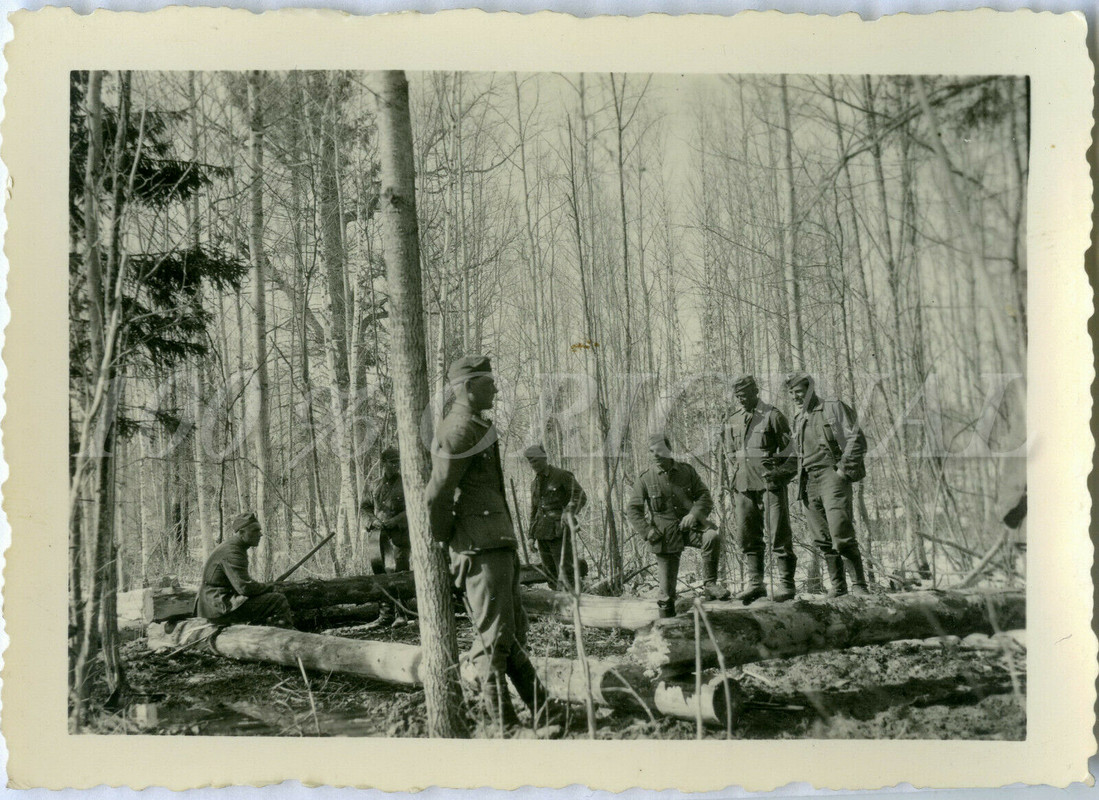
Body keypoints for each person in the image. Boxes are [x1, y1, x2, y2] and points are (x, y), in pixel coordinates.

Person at [425, 355, 564, 733]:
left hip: (495, 542)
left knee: (511, 631)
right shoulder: (457, 430)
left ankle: (542, 709)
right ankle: (504, 726)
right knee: (492, 639)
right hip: (479, 547)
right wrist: (446, 538)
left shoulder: (475, 426)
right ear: (468, 388)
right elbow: (437, 494)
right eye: (489, 383)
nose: (497, 389)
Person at [626, 432, 731, 618]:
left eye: (659, 451)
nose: (655, 455)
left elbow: (705, 497)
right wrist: (648, 531)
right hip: (664, 536)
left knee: (711, 536)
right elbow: (633, 510)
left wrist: (693, 514)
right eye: (651, 452)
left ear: (669, 450)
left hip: (689, 529)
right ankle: (667, 630)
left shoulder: (686, 472)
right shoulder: (646, 479)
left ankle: (710, 584)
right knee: (666, 595)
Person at [786, 372, 870, 597]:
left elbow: (856, 439)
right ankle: (838, 587)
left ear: (811, 389)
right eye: (792, 393)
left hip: (832, 476)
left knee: (840, 531)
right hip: (808, 481)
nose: (795, 397)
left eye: (799, 392)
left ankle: (859, 585)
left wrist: (843, 470)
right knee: (822, 538)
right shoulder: (798, 418)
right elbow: (796, 455)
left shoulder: (832, 407)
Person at [720, 374, 798, 604]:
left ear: (755, 392)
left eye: (745, 394)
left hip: (769, 484)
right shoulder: (732, 420)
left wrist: (780, 474)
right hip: (743, 486)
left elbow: (792, 455)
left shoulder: (773, 416)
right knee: (747, 536)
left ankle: (786, 585)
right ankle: (756, 583)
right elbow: (730, 453)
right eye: (738, 396)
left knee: (778, 534)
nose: (741, 399)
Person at [195, 512, 295, 627]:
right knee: (278, 600)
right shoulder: (233, 552)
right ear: (242, 533)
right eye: (255, 531)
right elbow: (244, 588)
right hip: (218, 608)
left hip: (215, 603)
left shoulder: (234, 547)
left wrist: (265, 588)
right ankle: (285, 638)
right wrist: (271, 586)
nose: (260, 534)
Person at [523, 444, 587, 590]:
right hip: (541, 533)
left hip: (560, 532)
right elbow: (534, 510)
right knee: (550, 574)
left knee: (566, 573)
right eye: (531, 462)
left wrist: (569, 511)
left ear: (545, 458)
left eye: (536, 461)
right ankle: (558, 607)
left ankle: (572, 606)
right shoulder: (534, 484)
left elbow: (580, 495)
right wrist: (531, 536)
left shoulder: (562, 475)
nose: (534, 465)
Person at [361, 446, 411, 626]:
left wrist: (396, 520)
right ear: (383, 463)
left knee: (400, 572)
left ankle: (402, 614)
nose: (396, 466)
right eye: (392, 462)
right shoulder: (374, 484)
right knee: (380, 572)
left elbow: (413, 508)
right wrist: (373, 521)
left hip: (399, 537)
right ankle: (385, 614)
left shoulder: (406, 483)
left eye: (398, 462)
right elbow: (365, 508)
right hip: (378, 537)